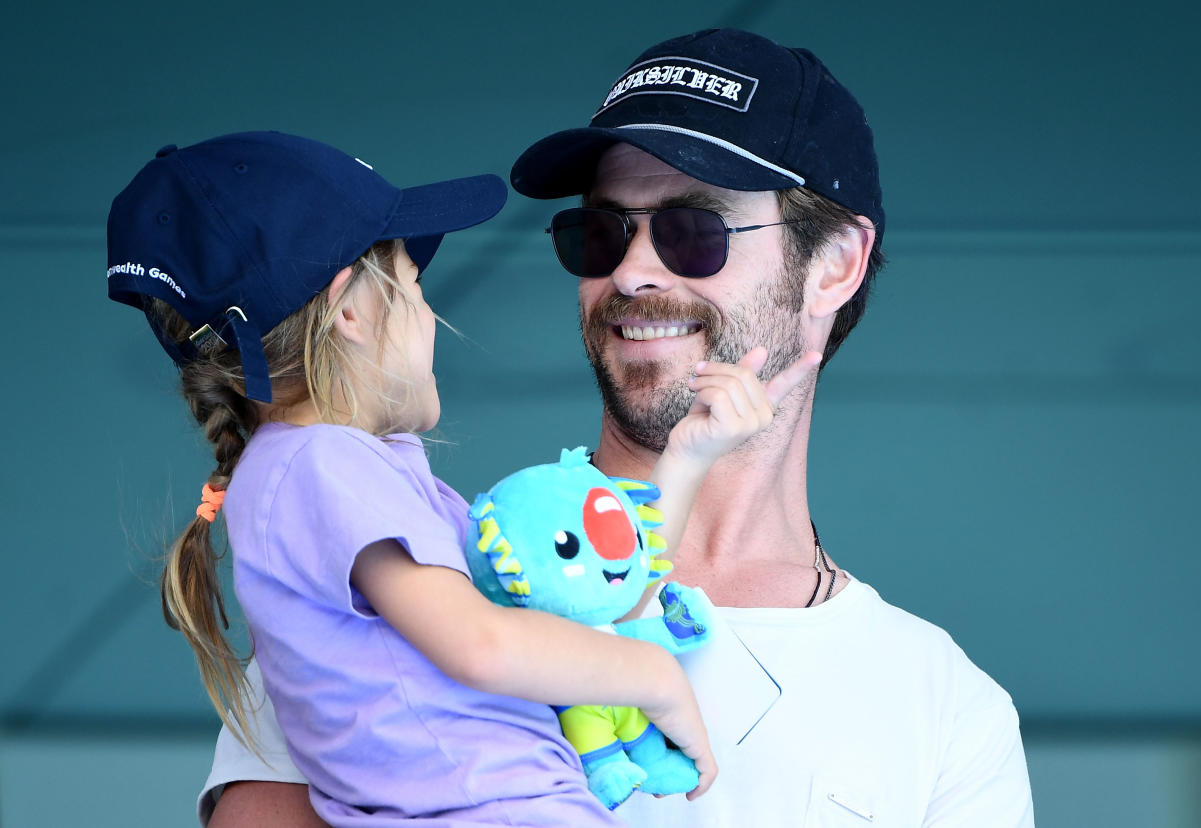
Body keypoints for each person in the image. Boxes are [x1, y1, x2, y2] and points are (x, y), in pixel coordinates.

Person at [198, 28, 1036, 828]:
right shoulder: (401, 563)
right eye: (600, 232)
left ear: (836, 266)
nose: (632, 271)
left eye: (693, 231)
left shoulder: (944, 707)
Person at [107, 130, 815, 826]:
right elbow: (484, 646)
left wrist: (687, 456)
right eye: (415, 289)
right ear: (351, 309)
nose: (429, 318)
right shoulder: (320, 463)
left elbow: (607, 594)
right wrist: (654, 679)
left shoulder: (314, 475)